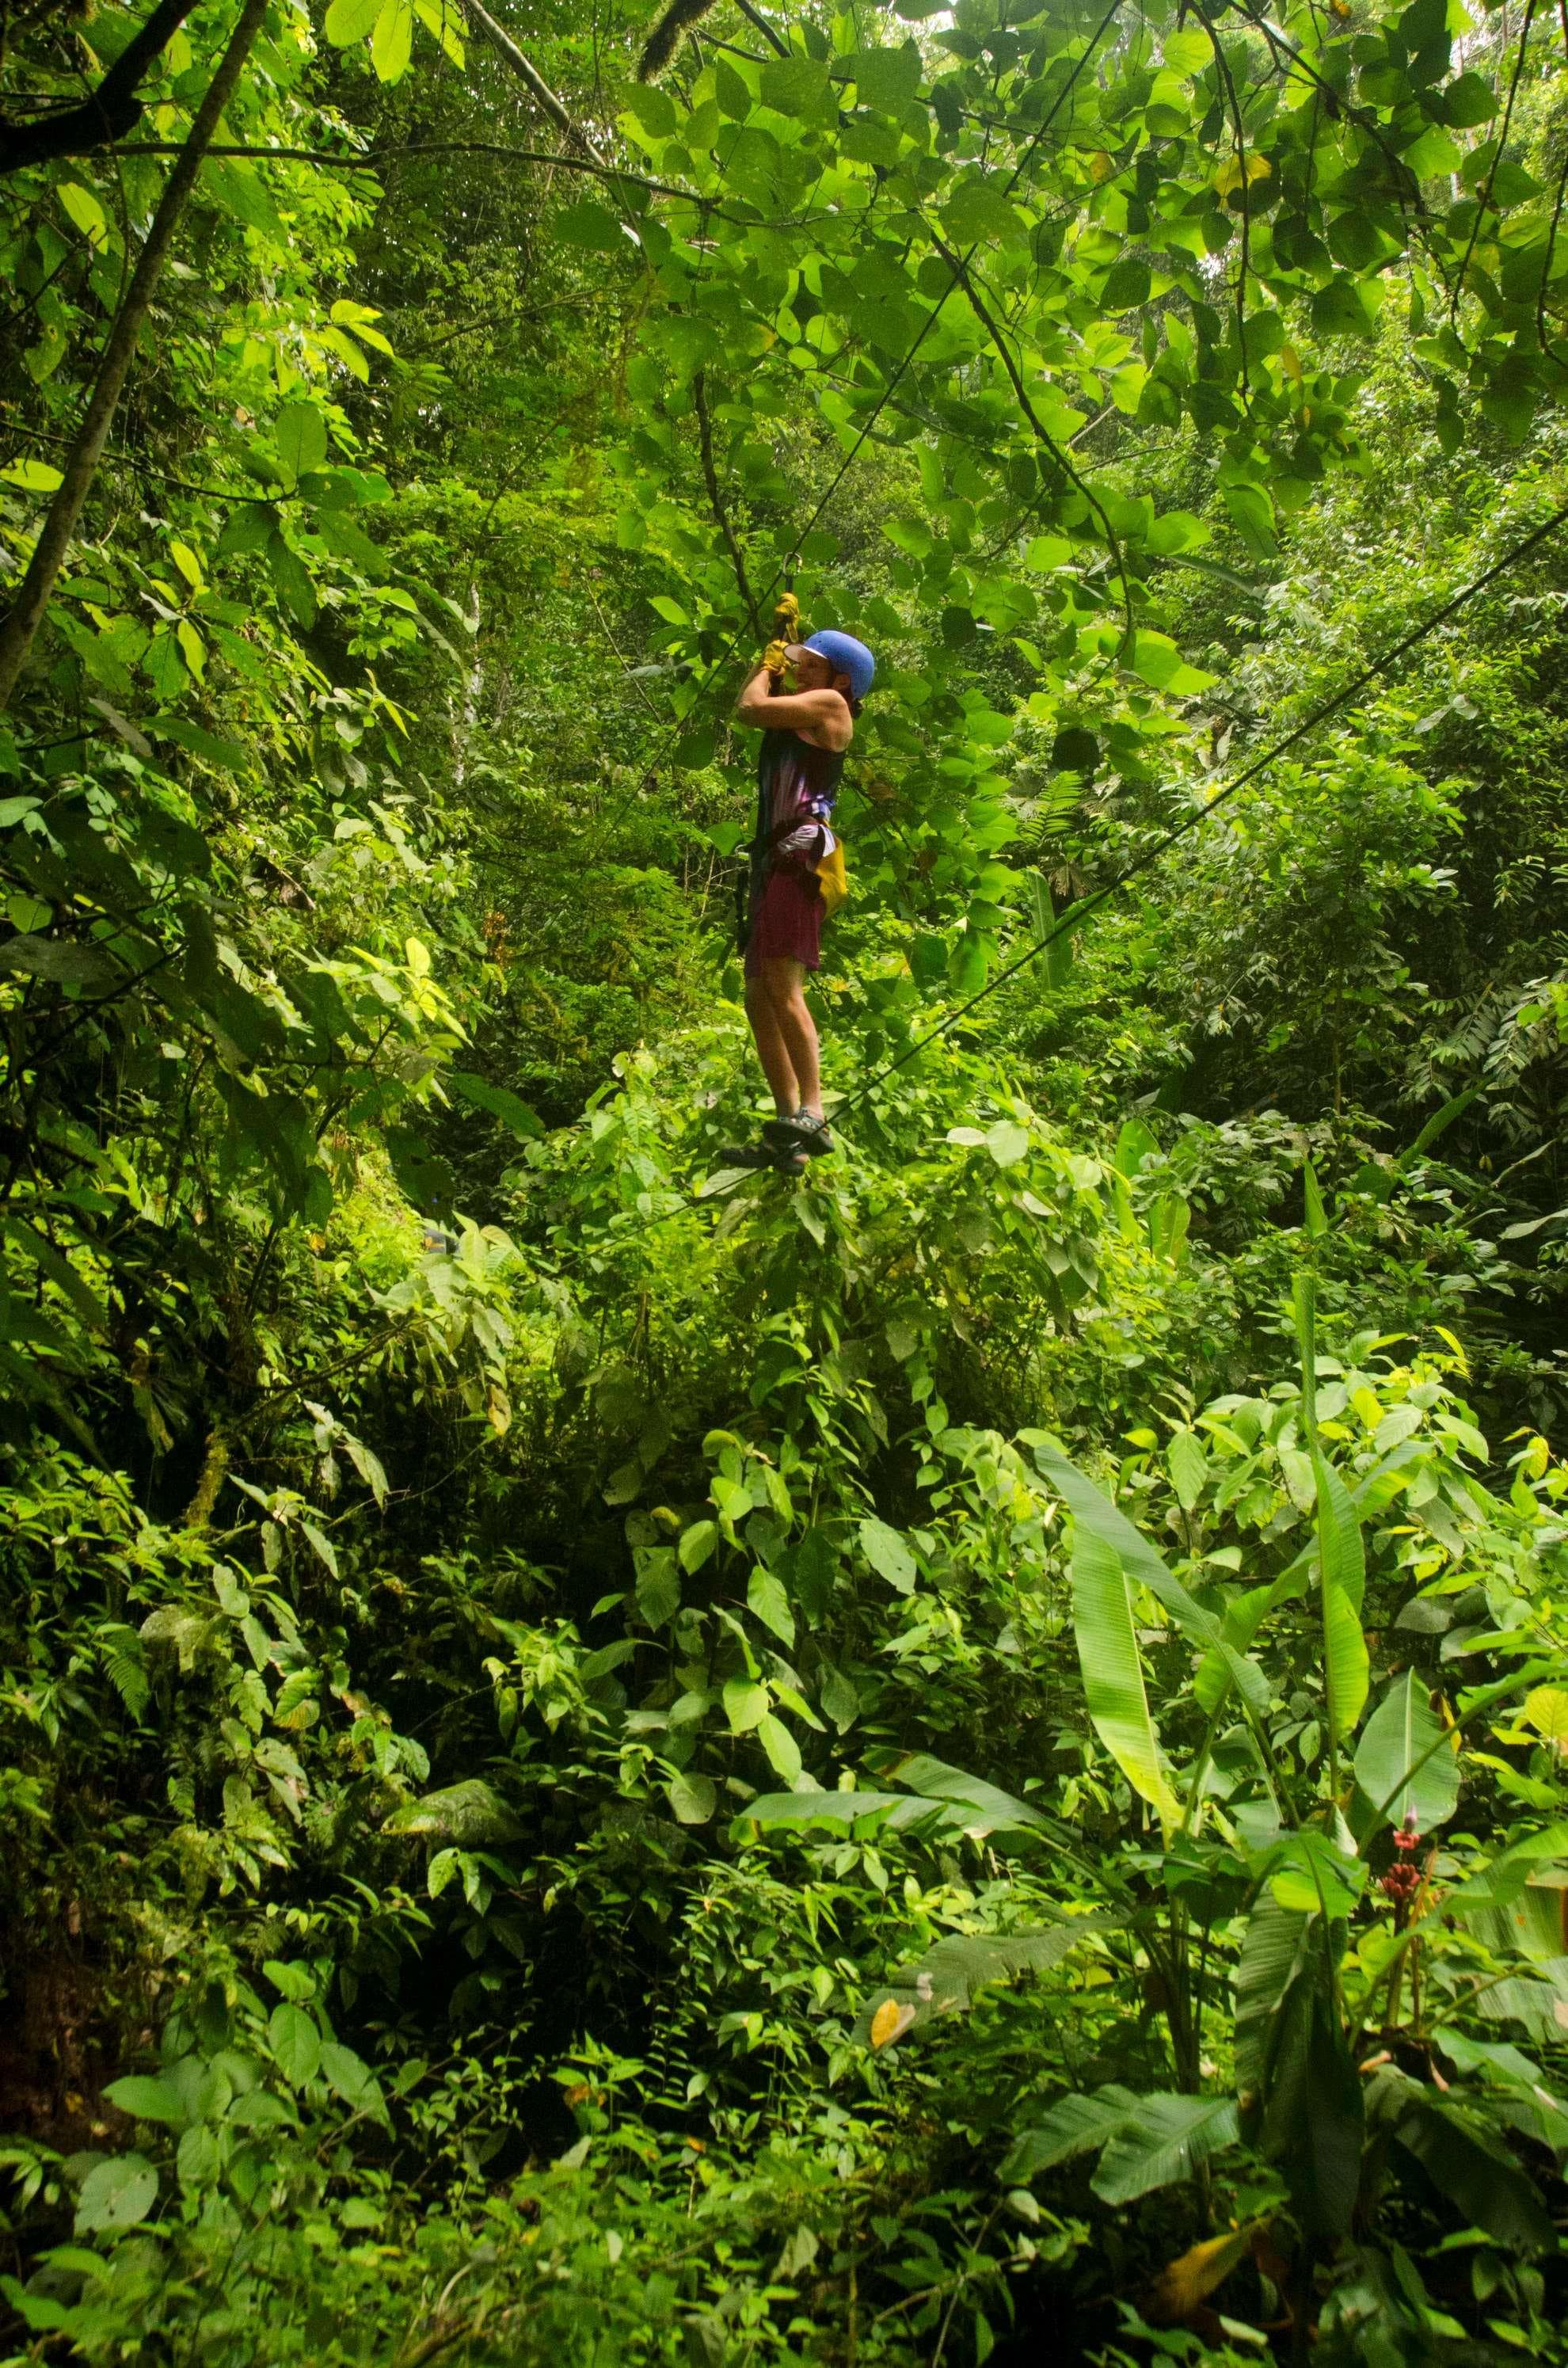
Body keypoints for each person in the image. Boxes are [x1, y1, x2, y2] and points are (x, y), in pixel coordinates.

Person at [729, 626, 875, 1169]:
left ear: (841, 680)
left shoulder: (832, 704)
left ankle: (813, 1110)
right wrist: (776, 645)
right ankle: (787, 1127)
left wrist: (766, 667)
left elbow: (749, 708)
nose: (797, 671)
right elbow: (758, 708)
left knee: (783, 986)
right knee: (757, 993)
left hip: (800, 858)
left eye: (809, 665)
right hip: (775, 862)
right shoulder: (804, 709)